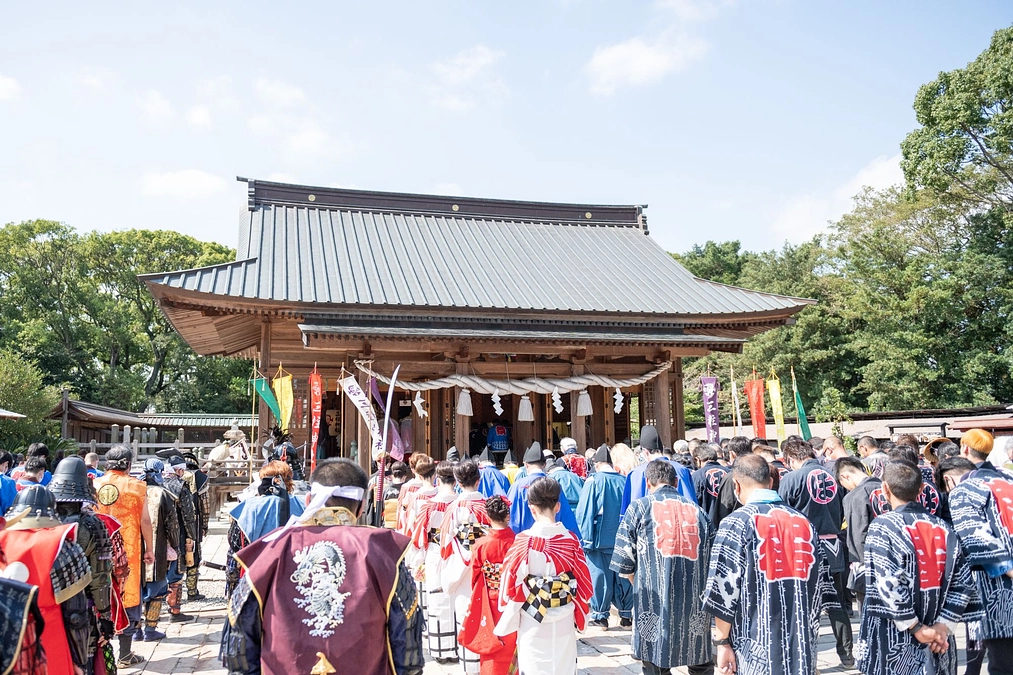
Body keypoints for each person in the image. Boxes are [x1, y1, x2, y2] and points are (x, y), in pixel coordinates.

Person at [220, 458, 424, 674]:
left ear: (308, 499)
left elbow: (240, 635)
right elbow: (407, 642)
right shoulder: (383, 553)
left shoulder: (272, 550)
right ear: (362, 504)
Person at [701, 455, 835, 675]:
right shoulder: (804, 522)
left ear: (736, 485)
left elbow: (722, 591)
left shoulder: (735, 523)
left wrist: (722, 642)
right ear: (771, 482)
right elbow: (822, 586)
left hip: (754, 642)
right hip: (800, 641)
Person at [858, 461, 982, 675]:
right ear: (922, 490)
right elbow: (963, 583)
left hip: (894, 642)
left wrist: (917, 628)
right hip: (938, 639)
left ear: (884, 489)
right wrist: (943, 626)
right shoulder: (944, 528)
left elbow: (887, 584)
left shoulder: (883, 527)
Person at [611, 459, 714, 675]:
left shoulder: (638, 508)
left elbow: (624, 561)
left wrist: (639, 582)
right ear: (676, 483)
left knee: (655, 659)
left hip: (653, 599)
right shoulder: (699, 512)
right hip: (694, 600)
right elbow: (714, 560)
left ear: (647, 483)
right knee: (700, 661)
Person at [497, 477, 592, 674]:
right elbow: (584, 583)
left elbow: (508, 584)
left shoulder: (525, 542)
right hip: (564, 615)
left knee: (534, 666)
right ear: (558, 506)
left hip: (533, 616)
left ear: (532, 508)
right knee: (563, 666)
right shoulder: (571, 542)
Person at [777, 436, 854, 667]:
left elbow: (782, 514)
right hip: (833, 546)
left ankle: (806, 657)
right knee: (837, 603)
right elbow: (843, 511)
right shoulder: (833, 475)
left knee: (803, 606)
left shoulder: (791, 478)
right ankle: (848, 655)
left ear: (790, 459)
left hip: (804, 548)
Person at [1, 485, 93, 675]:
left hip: (5, 637)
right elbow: (76, 615)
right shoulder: (62, 545)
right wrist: (80, 660)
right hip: (49, 636)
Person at [948, 428, 1013, 671]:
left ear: (964, 449)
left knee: (1002, 663)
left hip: (996, 589)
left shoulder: (965, 490)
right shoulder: (1009, 479)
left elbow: (976, 540)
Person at [50, 456, 117, 671]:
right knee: (84, 662)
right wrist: (105, 615)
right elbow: (100, 577)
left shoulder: (43, 520)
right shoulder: (93, 525)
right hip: (81, 608)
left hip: (45, 606)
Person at [93, 445, 155, 668]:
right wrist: (150, 548)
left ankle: (100, 654)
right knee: (127, 595)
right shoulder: (137, 487)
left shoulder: (94, 484)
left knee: (99, 592)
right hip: (128, 550)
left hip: (97, 550)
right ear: (129, 464)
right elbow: (145, 521)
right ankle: (125, 653)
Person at [439, 459, 492, 673]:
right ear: (478, 481)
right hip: (487, 567)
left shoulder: (454, 508)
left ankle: (468, 665)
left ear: (458, 482)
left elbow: (444, 541)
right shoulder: (487, 505)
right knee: (486, 616)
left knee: (465, 615)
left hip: (460, 567)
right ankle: (485, 663)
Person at [226, 460, 305, 596]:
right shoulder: (303, 505)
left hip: (256, 570)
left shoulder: (249, 506)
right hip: (294, 571)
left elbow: (235, 543)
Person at [576, 444, 633, 629]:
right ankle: (626, 615)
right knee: (623, 576)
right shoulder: (624, 480)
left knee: (600, 576)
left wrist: (585, 539)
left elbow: (585, 511)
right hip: (622, 538)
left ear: (597, 464)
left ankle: (601, 616)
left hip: (599, 539)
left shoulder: (594, 481)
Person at [458, 496, 516, 675]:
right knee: (511, 641)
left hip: (489, 598)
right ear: (508, 516)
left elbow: (475, 575)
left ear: (488, 517)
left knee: (491, 641)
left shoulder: (481, 544)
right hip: (512, 599)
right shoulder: (517, 541)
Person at [411, 461, 462, 664]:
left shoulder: (429, 505)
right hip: (459, 553)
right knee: (458, 597)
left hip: (434, 551)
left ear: (437, 479)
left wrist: (417, 560)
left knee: (437, 596)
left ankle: (441, 649)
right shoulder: (462, 503)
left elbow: (418, 536)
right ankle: (459, 645)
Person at [834, 456, 888, 603]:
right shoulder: (886, 487)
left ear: (845, 476)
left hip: (868, 562)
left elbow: (857, 534)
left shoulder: (855, 496)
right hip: (893, 558)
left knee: (869, 613)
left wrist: (859, 565)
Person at [140, 458, 178, 642]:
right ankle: (150, 629)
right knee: (156, 588)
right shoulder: (162, 494)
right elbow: (171, 524)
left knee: (136, 590)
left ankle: (135, 630)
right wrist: (175, 544)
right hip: (157, 548)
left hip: (134, 548)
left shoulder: (135, 491)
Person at [507, 442, 580, 536]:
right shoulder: (553, 484)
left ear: (526, 465)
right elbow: (566, 516)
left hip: (525, 542)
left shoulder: (517, 486)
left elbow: (512, 517)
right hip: (553, 541)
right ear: (545, 465)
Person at [621, 425, 696, 517]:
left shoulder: (636, 473)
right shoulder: (682, 470)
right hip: (679, 523)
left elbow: (631, 510)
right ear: (662, 449)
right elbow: (691, 502)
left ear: (645, 452)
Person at [161, 455, 197, 623]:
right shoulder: (181, 486)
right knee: (176, 572)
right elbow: (189, 515)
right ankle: (174, 610)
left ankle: (152, 613)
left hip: (156, 535)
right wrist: (192, 536)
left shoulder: (156, 484)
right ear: (179, 470)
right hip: (177, 533)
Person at [181, 451, 211, 602]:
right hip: (194, 522)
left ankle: (172, 593)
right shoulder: (201, 478)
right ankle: (192, 591)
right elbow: (205, 505)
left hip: (174, 523)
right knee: (194, 554)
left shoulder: (174, 476)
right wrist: (205, 525)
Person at [692, 443, 729, 526]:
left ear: (698, 459)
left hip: (706, 524)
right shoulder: (730, 473)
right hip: (729, 523)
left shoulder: (697, 476)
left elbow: (693, 501)